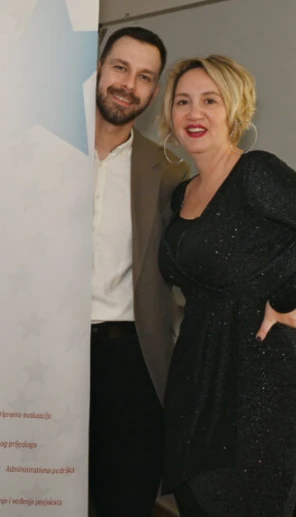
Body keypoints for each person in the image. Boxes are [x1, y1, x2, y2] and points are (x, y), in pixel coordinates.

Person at [157, 55, 296, 517]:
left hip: (267, 387)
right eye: (182, 101)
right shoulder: (182, 194)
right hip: (197, 383)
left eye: (210, 100)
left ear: (235, 109)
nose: (194, 113)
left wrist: (284, 298)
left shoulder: (257, 173)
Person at [89, 27, 189, 516]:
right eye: (120, 68)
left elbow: (199, 256)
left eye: (145, 77)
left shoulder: (168, 170)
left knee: (125, 501)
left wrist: (283, 294)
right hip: (42, 352)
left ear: (154, 91)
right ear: (98, 68)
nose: (129, 85)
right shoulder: (42, 152)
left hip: (128, 359)